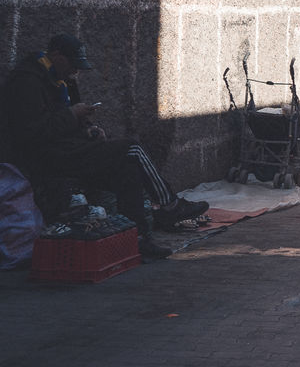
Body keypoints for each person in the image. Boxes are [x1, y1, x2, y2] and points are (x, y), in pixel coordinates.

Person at [1, 34, 209, 260]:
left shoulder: (63, 80)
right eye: (72, 65)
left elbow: (73, 122)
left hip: (69, 147)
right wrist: (72, 115)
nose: (74, 72)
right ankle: (170, 205)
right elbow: (31, 133)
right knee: (132, 148)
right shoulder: (27, 81)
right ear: (56, 56)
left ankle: (138, 239)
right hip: (46, 156)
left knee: (127, 170)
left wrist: (88, 129)